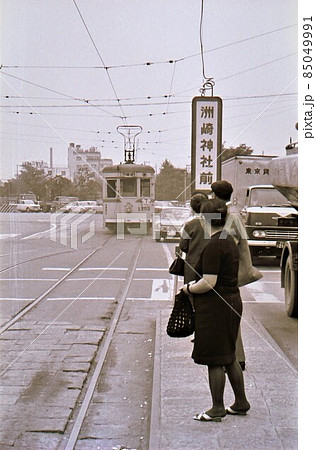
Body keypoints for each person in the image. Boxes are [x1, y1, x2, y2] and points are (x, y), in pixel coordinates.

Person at [182, 198, 250, 421]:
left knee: (215, 358)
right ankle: (240, 402)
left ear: (205, 219)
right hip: (232, 301)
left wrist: (189, 288)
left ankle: (217, 408)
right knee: (229, 355)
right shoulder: (228, 240)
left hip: (216, 307)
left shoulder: (213, 245)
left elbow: (209, 282)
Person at [211, 180, 248, 371]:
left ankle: (235, 358)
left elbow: (225, 242)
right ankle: (236, 357)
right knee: (230, 316)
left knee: (227, 316)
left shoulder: (228, 216)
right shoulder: (233, 213)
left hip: (226, 271)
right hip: (231, 270)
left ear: (216, 196)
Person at [179, 191, 209, 284]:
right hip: (211, 265)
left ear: (191, 208)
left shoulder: (189, 224)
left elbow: (183, 246)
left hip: (192, 264)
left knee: (191, 292)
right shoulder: (214, 223)